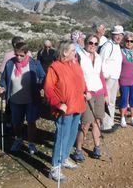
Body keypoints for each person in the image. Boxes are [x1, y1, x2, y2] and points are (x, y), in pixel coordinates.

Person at [44, 40, 91, 182]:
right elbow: (48, 89)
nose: (75, 53)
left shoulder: (75, 64)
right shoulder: (55, 67)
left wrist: (85, 91)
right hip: (64, 108)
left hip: (78, 104)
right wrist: (58, 103)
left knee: (71, 135)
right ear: (65, 52)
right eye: (72, 50)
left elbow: (81, 81)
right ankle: (55, 167)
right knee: (62, 137)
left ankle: (64, 158)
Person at [0, 42, 45, 154]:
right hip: (15, 99)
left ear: (26, 53)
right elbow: (3, 79)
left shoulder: (34, 63)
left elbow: (43, 76)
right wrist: (2, 87)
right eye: (16, 55)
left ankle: (31, 143)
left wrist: (38, 87)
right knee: (16, 122)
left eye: (21, 55)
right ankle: (18, 139)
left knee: (31, 122)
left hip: (31, 99)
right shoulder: (10, 64)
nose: (18, 58)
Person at [71, 35, 108, 162]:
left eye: (95, 43)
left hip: (99, 93)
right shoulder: (79, 56)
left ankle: (97, 147)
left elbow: (100, 75)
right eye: (90, 43)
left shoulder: (98, 57)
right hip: (87, 94)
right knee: (85, 123)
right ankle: (78, 149)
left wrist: (105, 93)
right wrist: (85, 91)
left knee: (97, 121)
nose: (93, 45)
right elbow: (77, 76)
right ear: (85, 43)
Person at [99, 25, 124, 133]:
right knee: (107, 101)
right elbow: (101, 61)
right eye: (116, 34)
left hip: (114, 78)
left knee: (112, 101)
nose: (118, 36)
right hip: (108, 78)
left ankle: (110, 122)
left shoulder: (117, 46)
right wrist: (105, 75)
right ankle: (105, 125)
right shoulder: (108, 46)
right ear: (112, 35)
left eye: (120, 34)